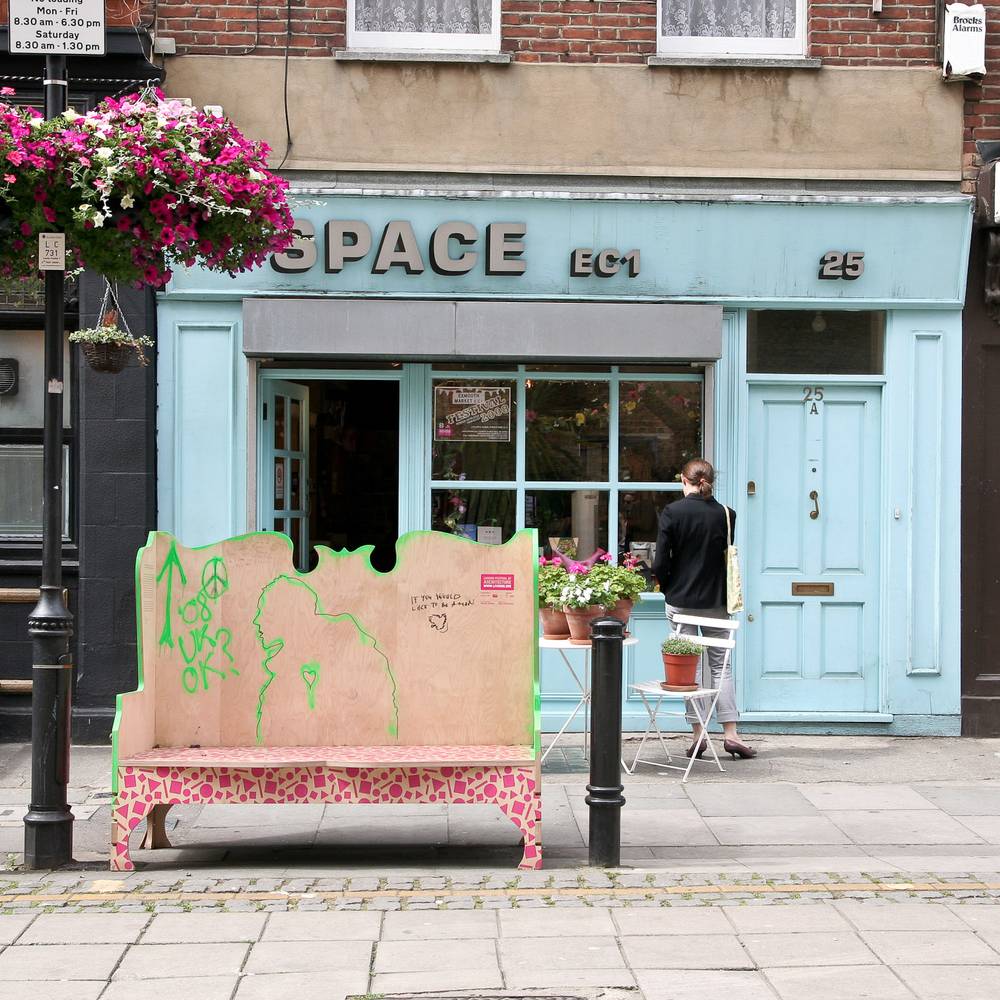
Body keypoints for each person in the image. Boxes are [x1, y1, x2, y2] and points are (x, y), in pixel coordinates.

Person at [651, 458, 756, 761]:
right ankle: (731, 734)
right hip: (716, 601)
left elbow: (661, 562)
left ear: (683, 480)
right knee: (721, 667)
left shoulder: (672, 512)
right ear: (710, 481)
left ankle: (698, 735)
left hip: (681, 600)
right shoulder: (726, 514)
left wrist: (668, 587)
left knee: (689, 670)